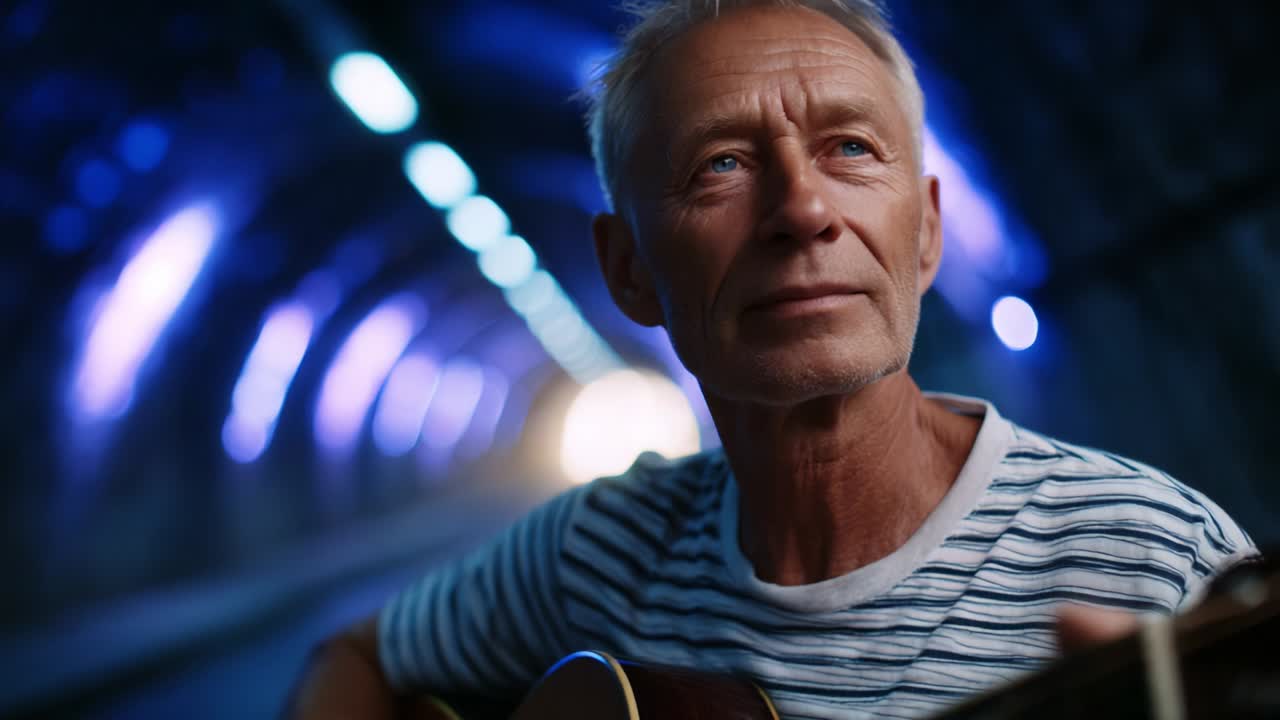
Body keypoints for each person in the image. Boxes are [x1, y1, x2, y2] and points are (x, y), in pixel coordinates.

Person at [288, 1, 1257, 717]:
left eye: (847, 148)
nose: (801, 210)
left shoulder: (1149, 561)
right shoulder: (594, 552)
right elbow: (357, 658)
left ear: (924, 233)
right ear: (627, 272)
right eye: (720, 164)